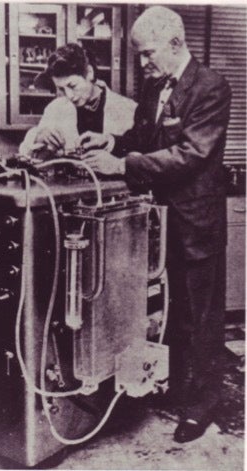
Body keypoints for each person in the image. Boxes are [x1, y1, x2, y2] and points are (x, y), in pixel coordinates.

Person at [77, 6, 231, 443]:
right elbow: (144, 138)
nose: (143, 64)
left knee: (199, 316)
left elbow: (190, 155)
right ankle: (174, 389)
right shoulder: (153, 87)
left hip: (195, 221)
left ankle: (200, 407)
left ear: (176, 44)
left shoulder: (212, 87)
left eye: (148, 54)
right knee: (167, 312)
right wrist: (111, 141)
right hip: (157, 221)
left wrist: (120, 164)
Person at [19, 43, 137, 157]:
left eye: (72, 86)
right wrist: (38, 137)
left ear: (89, 73)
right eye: (62, 89)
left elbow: (138, 159)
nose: (70, 96)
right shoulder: (55, 109)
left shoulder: (128, 109)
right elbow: (25, 153)